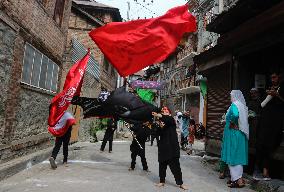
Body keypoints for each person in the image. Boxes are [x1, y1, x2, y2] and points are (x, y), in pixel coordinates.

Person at [254, 71, 284, 180]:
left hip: (276, 123)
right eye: (271, 77)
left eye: (274, 77)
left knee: (271, 146)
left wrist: (277, 95)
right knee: (261, 145)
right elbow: (262, 104)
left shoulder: (281, 89)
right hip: (265, 121)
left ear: (279, 77)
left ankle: (266, 172)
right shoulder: (268, 88)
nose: (272, 79)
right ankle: (258, 171)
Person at [152, 106, 188, 190]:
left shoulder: (171, 120)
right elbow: (155, 134)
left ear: (169, 112)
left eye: (165, 109)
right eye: (162, 110)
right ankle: (162, 181)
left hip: (172, 148)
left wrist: (158, 115)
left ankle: (180, 183)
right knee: (162, 165)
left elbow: (167, 119)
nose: (163, 111)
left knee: (176, 167)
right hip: (163, 148)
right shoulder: (161, 122)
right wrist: (160, 127)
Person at [221, 90, 249, 188]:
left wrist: (232, 122)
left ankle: (238, 180)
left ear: (234, 96)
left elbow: (235, 115)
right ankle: (235, 179)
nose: (230, 98)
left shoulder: (234, 105)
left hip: (233, 133)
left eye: (231, 96)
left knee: (232, 155)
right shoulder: (242, 105)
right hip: (239, 133)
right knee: (238, 156)